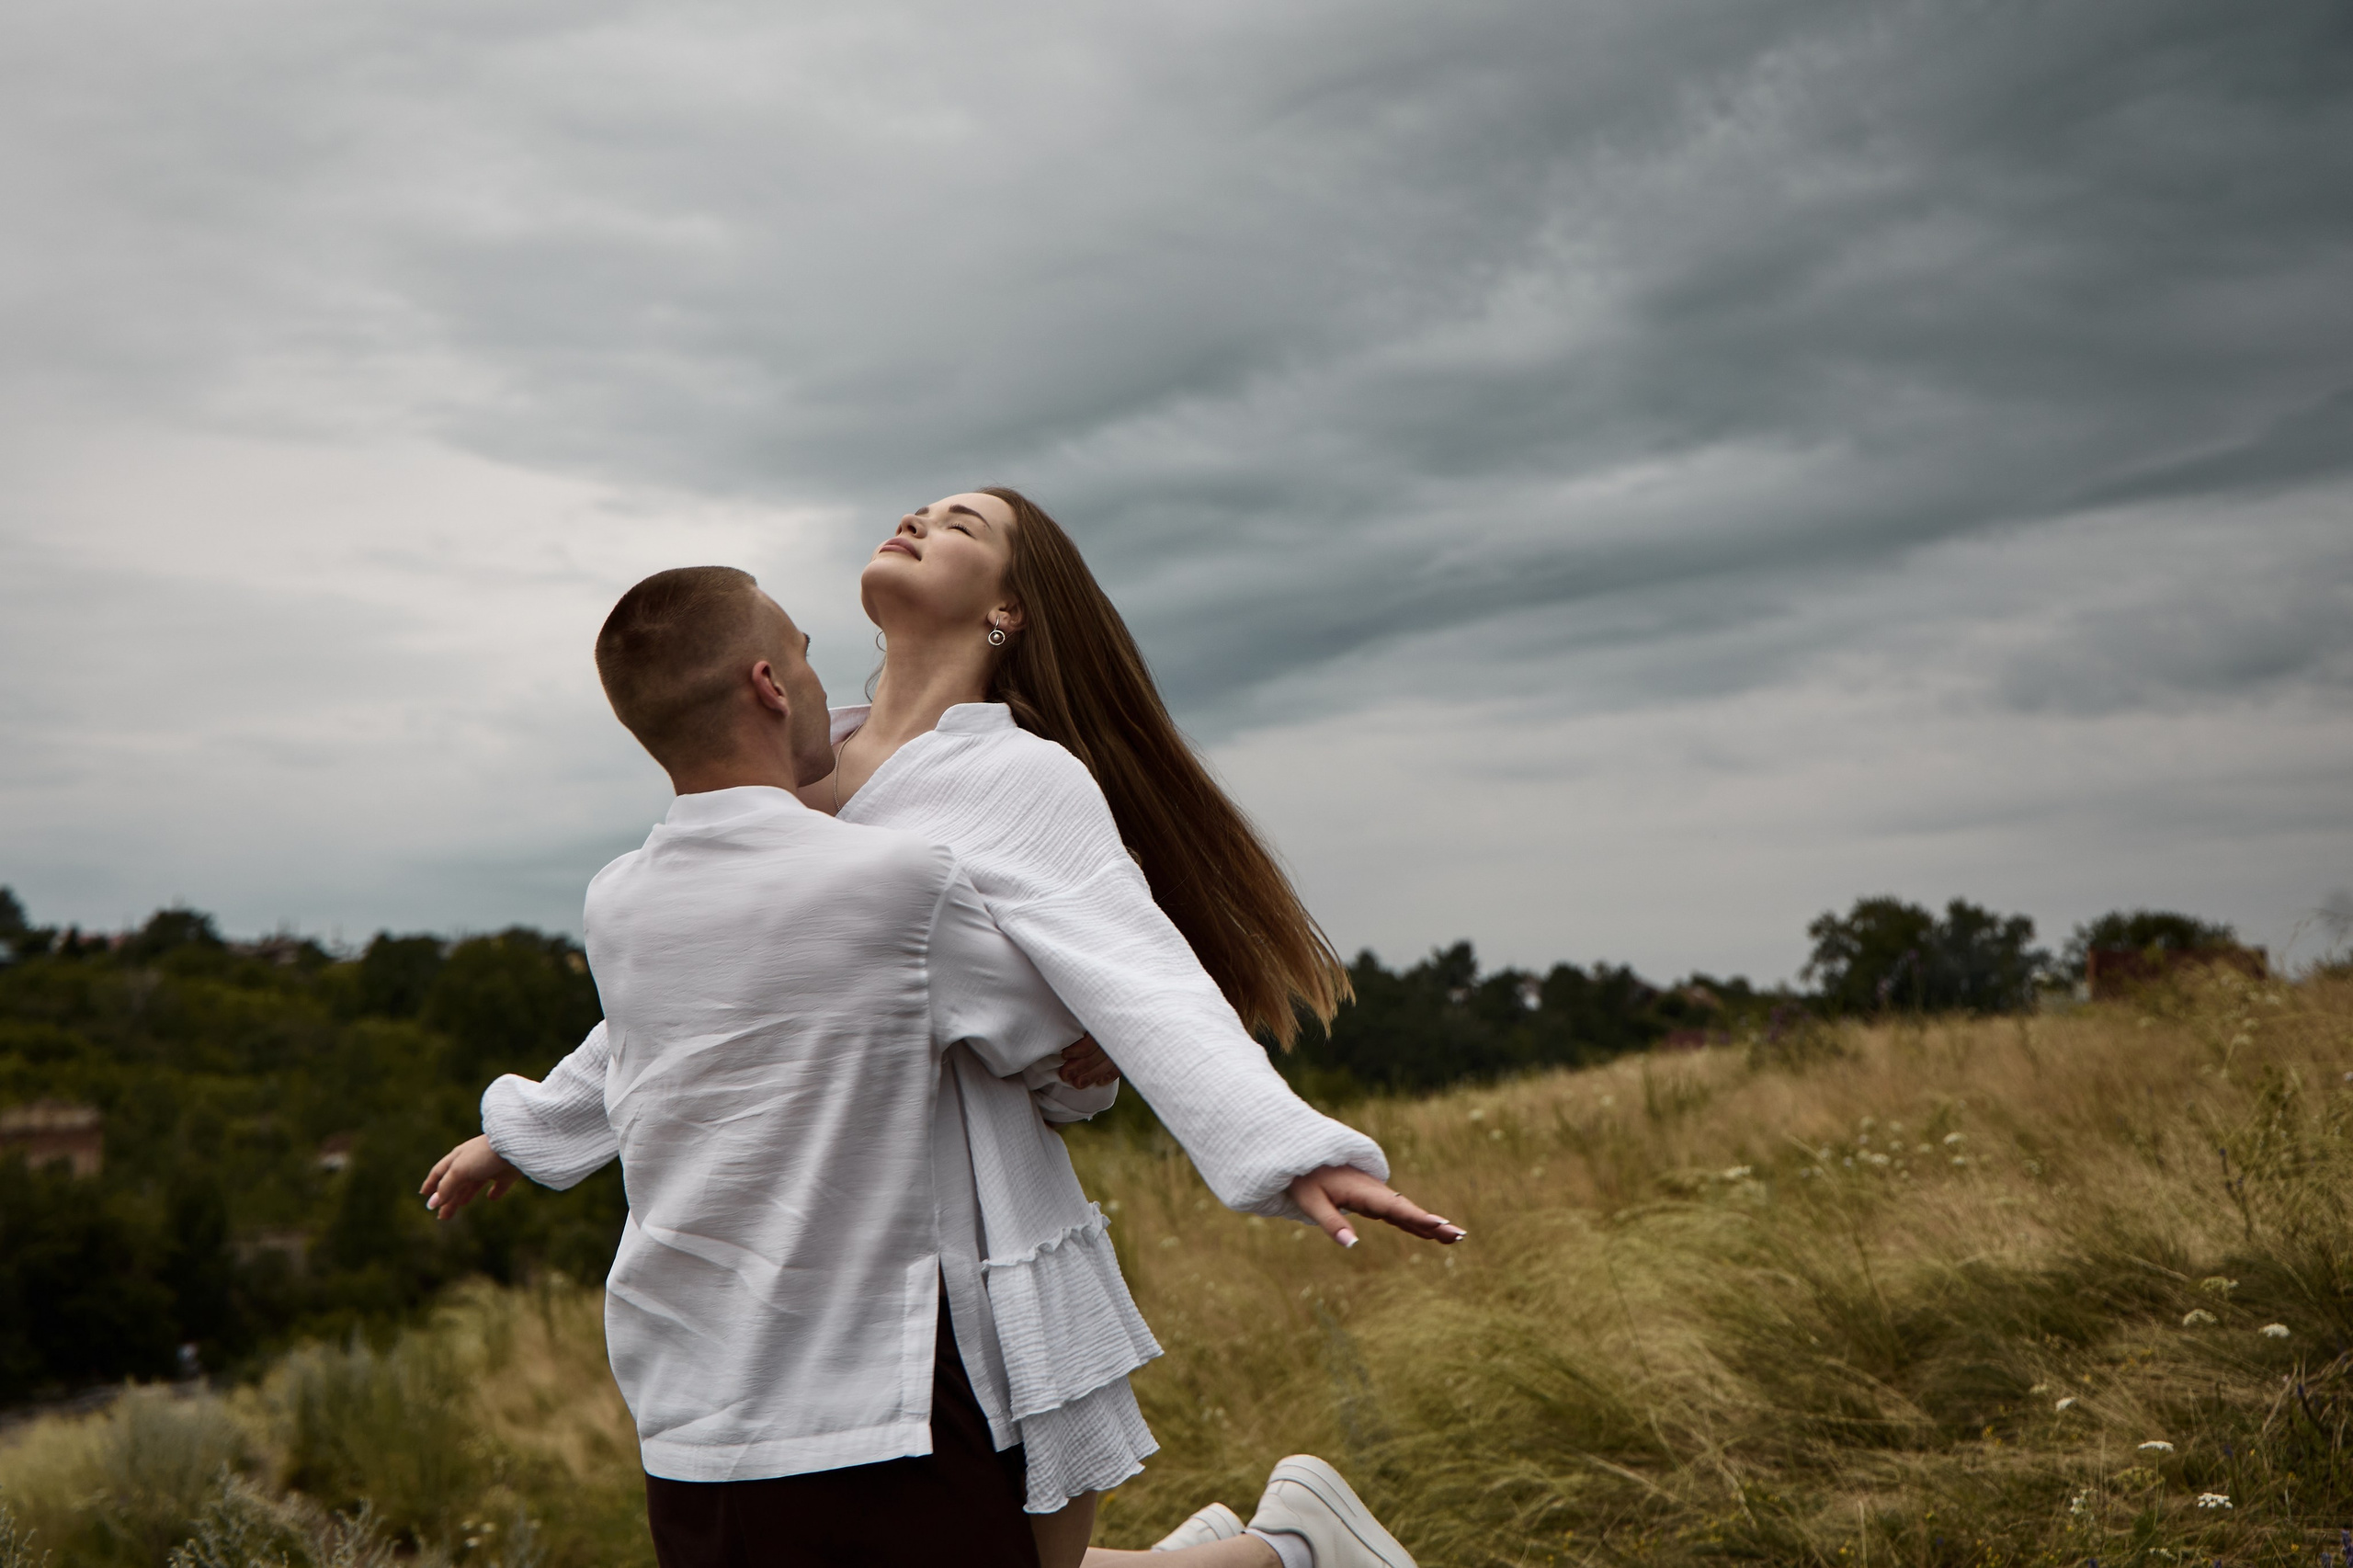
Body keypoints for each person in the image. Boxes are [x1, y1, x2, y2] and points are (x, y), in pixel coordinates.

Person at [426, 566, 1113, 1567]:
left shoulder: (616, 899)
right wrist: (1084, 1056)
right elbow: (1054, 1047)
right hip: (872, 1389)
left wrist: (517, 1135)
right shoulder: (898, 881)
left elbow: (637, 1042)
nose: (820, 679)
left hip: (686, 1399)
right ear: (768, 684)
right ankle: (1282, 1550)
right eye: (803, 653)